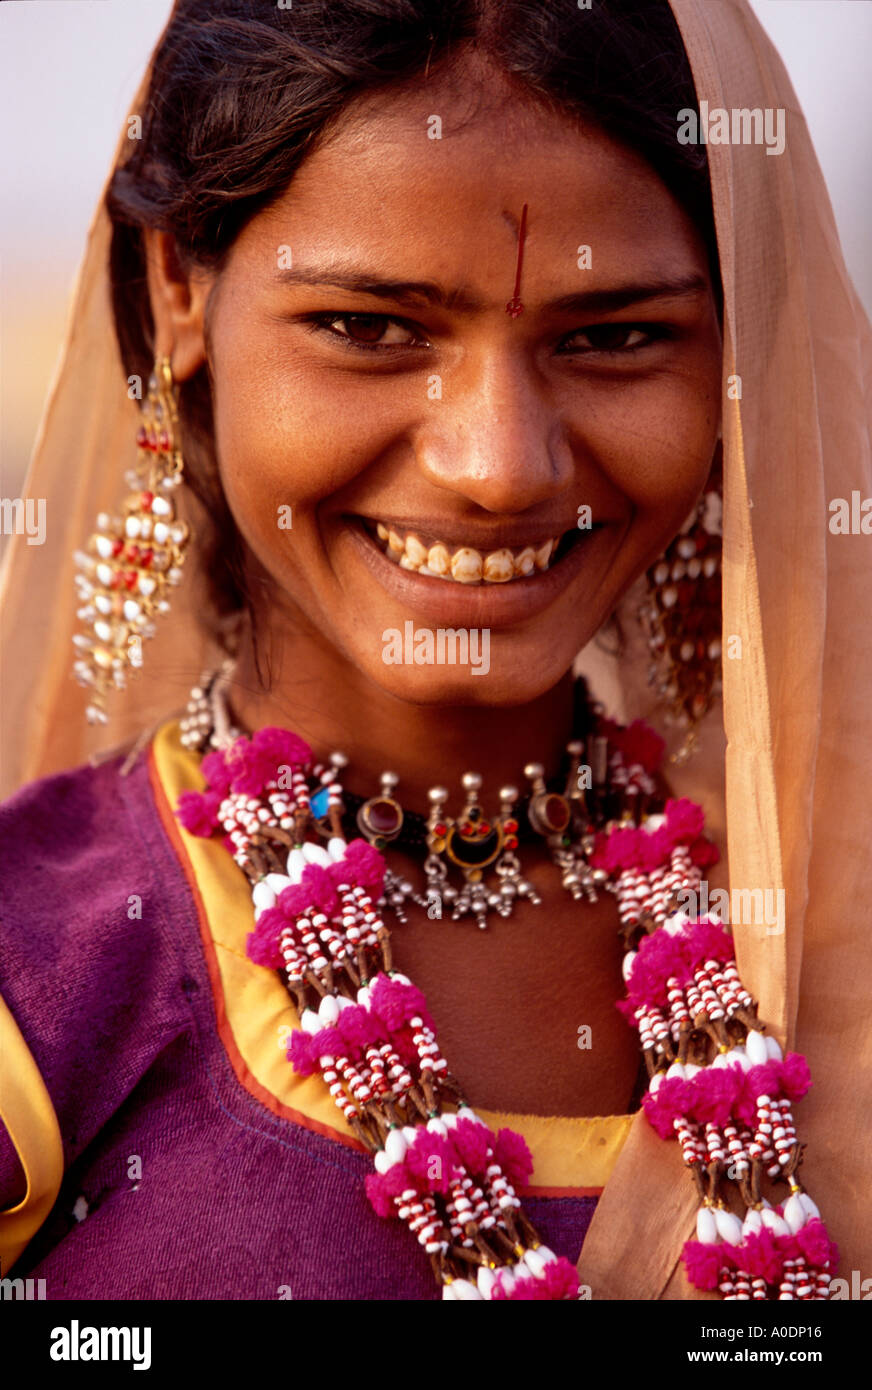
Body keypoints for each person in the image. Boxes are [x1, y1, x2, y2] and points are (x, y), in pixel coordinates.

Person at [0, 0, 869, 1301]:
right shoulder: (46, 967)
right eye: (371, 326)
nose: (499, 464)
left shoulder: (821, 937)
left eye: (615, 336)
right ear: (179, 287)